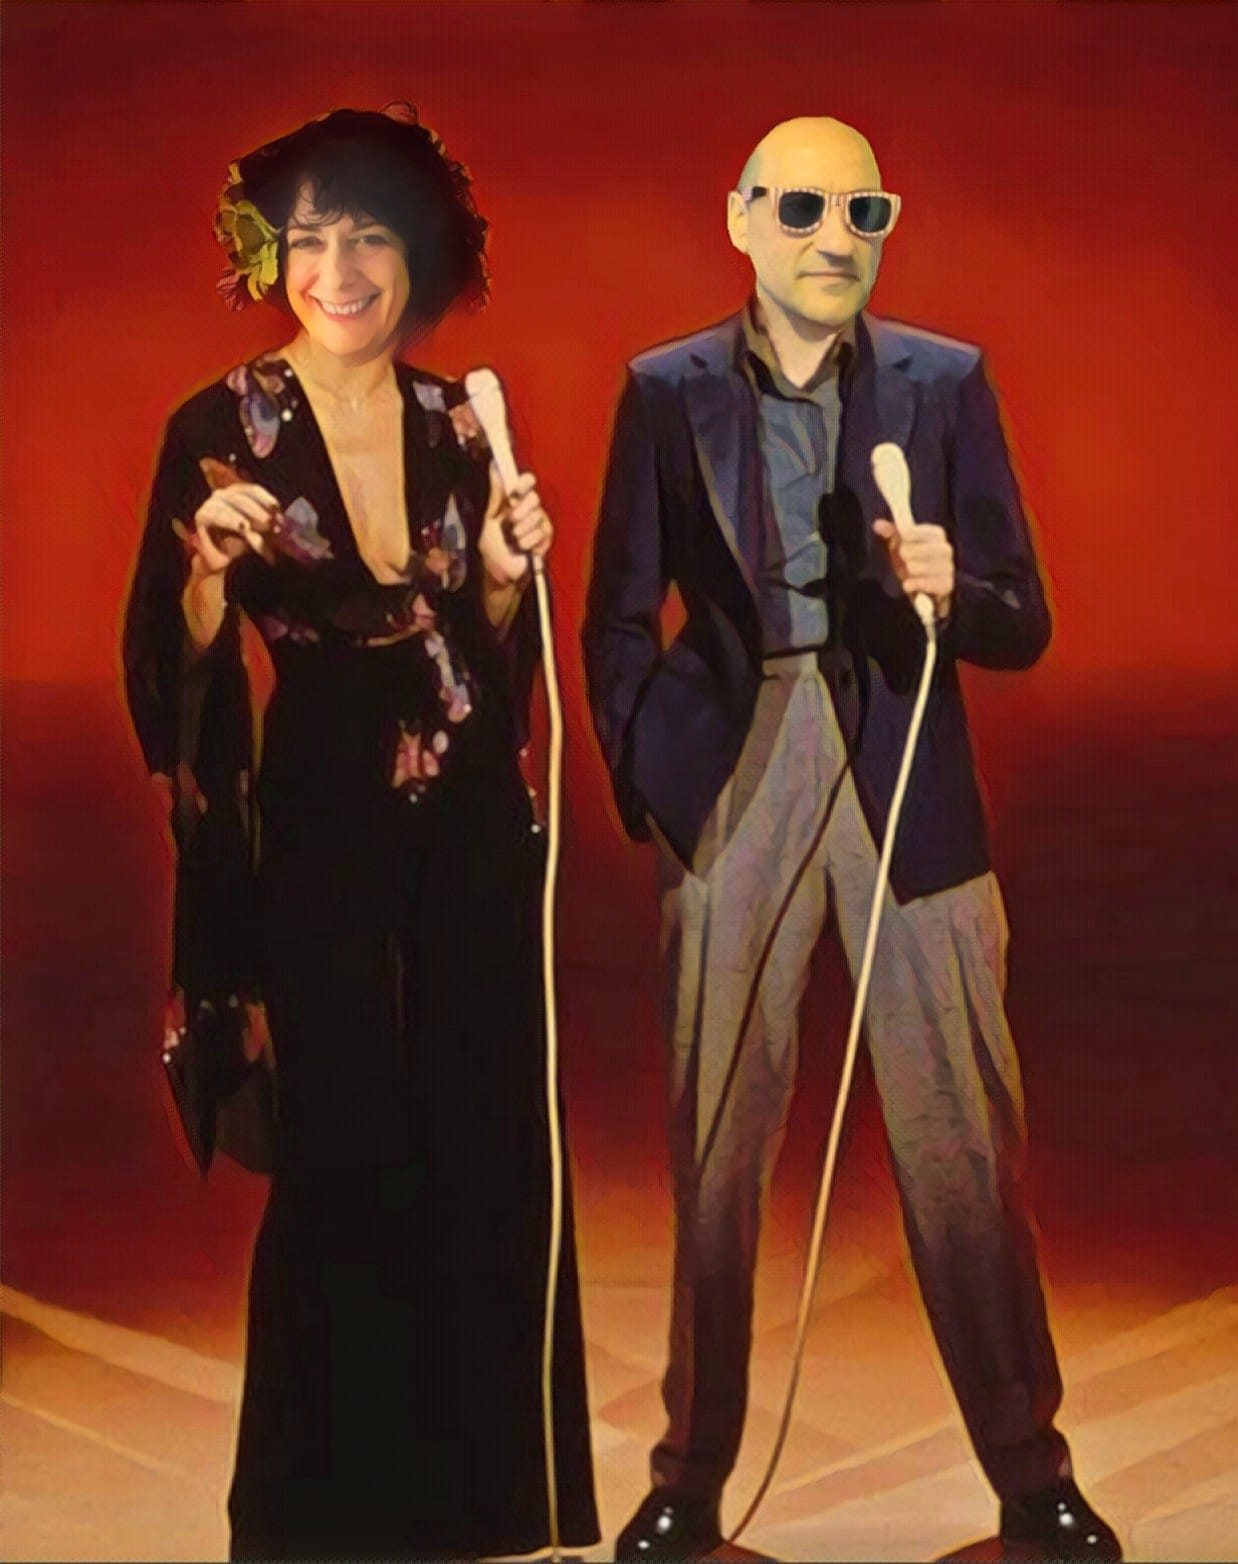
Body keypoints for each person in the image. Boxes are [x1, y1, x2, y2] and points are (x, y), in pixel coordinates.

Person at [582, 116, 1122, 1562]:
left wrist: (955, 588)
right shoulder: (664, 390)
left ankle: (1032, 1478)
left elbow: (1020, 618)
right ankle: (691, 1477)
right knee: (712, 1151)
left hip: (904, 774)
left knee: (964, 1145)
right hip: (736, 776)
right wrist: (653, 777)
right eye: (804, 209)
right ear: (741, 218)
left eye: (862, 212)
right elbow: (619, 611)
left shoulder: (944, 383)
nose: (835, 238)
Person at [123, 105, 599, 1561]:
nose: (340, 269)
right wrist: (207, 575)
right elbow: (164, 664)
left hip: (471, 828)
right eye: (312, 237)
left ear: (423, 255)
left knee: (485, 1140)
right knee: (343, 1156)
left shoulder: (461, 420)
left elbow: (489, 651)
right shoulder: (218, 429)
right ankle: (319, 1522)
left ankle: (482, 1511)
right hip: (320, 821)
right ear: (272, 255)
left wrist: (505, 577)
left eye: (372, 236)